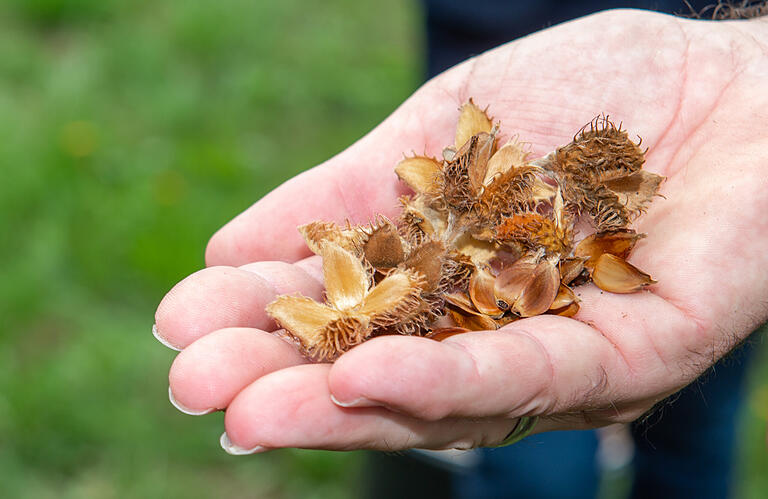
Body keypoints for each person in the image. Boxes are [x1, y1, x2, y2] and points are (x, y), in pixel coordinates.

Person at [153, 7, 768, 499]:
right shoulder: (455, 223)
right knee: (533, 461)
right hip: (487, 28)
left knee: (698, 430)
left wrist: (749, 65)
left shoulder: (584, 231)